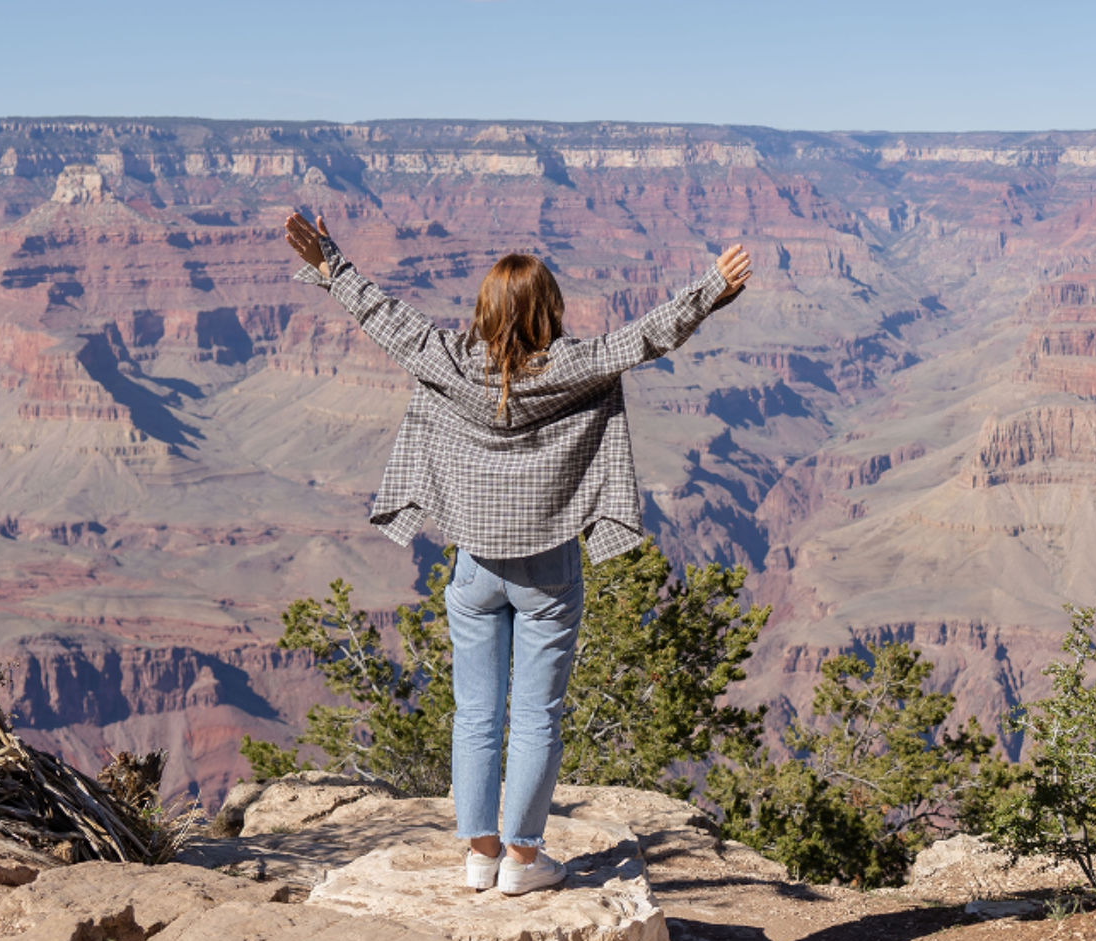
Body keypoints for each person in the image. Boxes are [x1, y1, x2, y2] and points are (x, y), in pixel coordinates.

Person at [282, 213, 750, 895]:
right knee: (535, 718)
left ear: (484, 310)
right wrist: (710, 290)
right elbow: (646, 336)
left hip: (474, 570)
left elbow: (383, 317)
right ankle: (524, 863)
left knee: (474, 714)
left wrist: (330, 263)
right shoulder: (574, 367)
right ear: (549, 311)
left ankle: (478, 856)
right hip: (547, 571)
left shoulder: (446, 357)